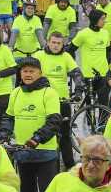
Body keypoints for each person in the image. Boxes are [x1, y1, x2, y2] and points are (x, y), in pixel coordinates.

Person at [1, 56, 62, 192]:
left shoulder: (49, 93)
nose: (28, 74)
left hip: (45, 153)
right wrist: (4, 135)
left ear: (40, 73)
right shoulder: (16, 92)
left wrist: (37, 138)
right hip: (22, 153)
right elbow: (8, 117)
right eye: (25, 71)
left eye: (32, 71)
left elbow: (54, 121)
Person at [34, 32, 83, 170]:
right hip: (43, 102)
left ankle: (69, 165)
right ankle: (45, 164)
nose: (55, 46)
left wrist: (79, 90)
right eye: (53, 42)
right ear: (48, 42)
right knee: (45, 134)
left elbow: (76, 74)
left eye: (59, 43)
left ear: (62, 45)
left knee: (65, 135)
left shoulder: (66, 57)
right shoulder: (39, 56)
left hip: (62, 102)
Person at [70, 9, 111, 104]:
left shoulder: (105, 33)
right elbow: (70, 50)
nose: (105, 21)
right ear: (95, 19)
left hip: (103, 74)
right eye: (102, 19)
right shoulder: (83, 34)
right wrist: (73, 67)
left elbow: (108, 51)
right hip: (88, 75)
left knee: (104, 105)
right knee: (89, 106)